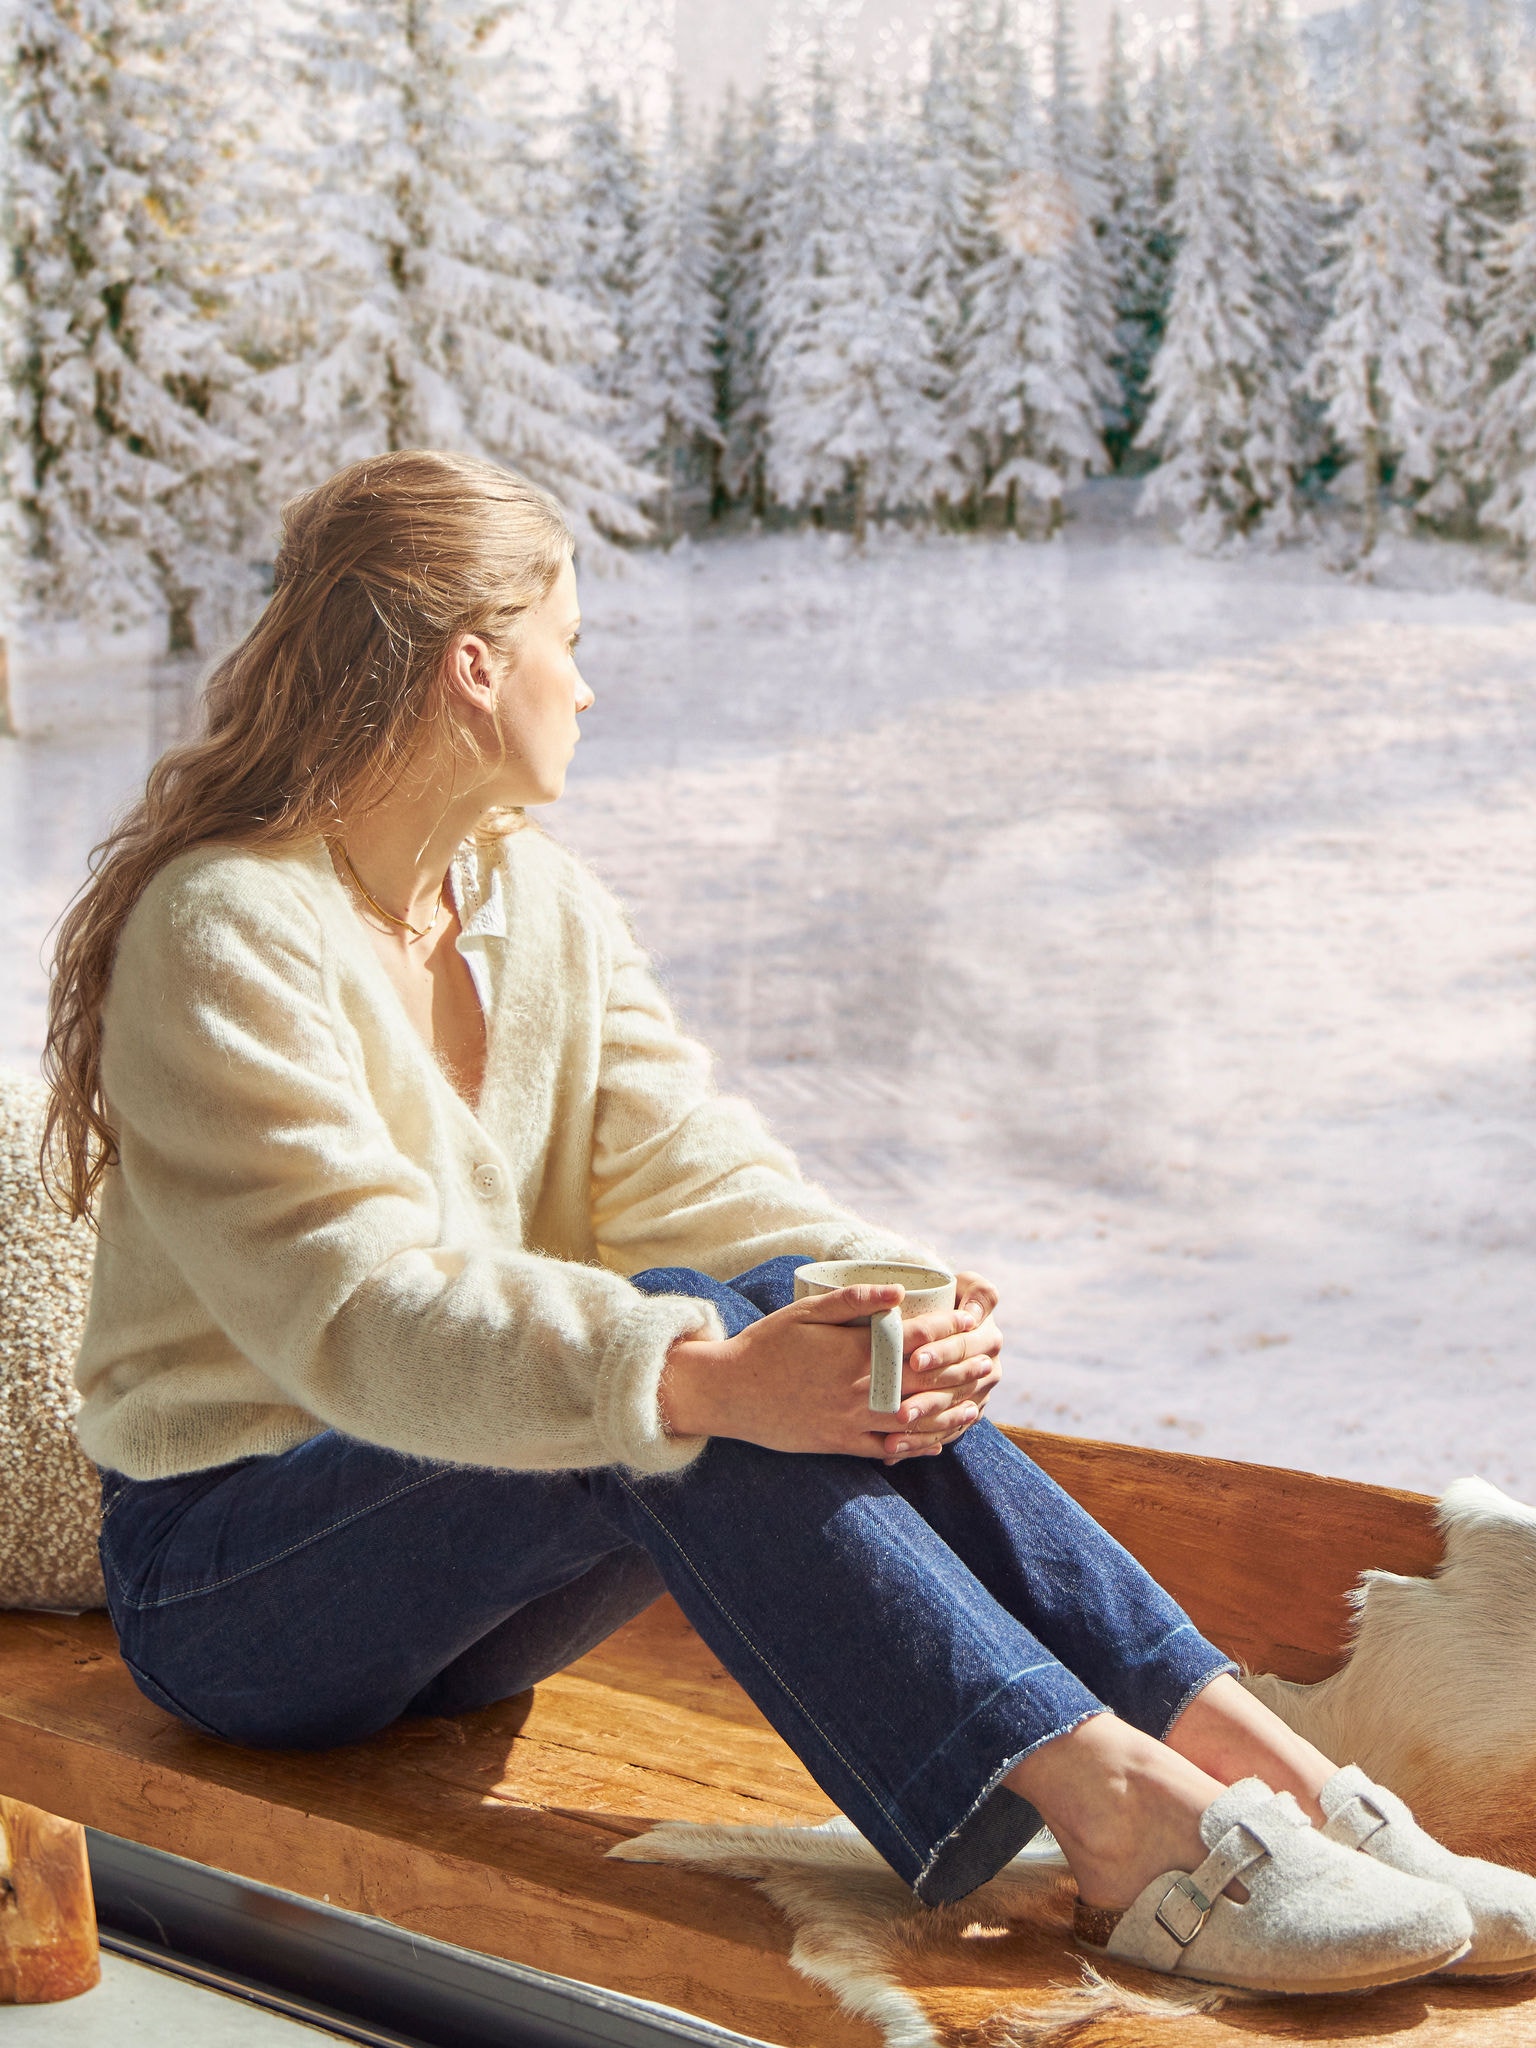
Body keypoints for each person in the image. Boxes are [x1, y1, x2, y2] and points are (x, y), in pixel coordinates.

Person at [44, 451, 1536, 1995]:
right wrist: (699, 1375)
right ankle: (1129, 1830)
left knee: (749, 1301)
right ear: (474, 669)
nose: (590, 686)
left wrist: (896, 1304)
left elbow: (689, 1164)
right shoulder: (226, 928)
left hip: (457, 1582)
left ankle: (1280, 1783)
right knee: (678, 1352)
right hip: (231, 1586)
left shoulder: (533, 901)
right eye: (573, 638)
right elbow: (355, 1312)